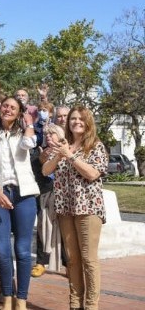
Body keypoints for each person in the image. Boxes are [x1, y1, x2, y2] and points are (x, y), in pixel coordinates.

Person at [42, 107, 108, 310]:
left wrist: (70, 156)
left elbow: (92, 173)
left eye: (80, 119)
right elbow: (45, 171)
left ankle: (90, 306)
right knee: (72, 260)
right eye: (72, 119)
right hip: (65, 209)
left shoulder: (95, 145)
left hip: (88, 208)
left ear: (88, 122)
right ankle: (74, 304)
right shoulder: (64, 145)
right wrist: (60, 154)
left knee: (88, 259)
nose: (76, 122)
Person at [0, 96, 39, 310]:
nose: (8, 109)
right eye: (5, 105)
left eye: (13, 108)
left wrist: (29, 123)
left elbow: (30, 144)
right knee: (2, 250)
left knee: (23, 250)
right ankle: (7, 296)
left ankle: (21, 299)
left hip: (24, 194)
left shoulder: (24, 134)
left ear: (19, 112)